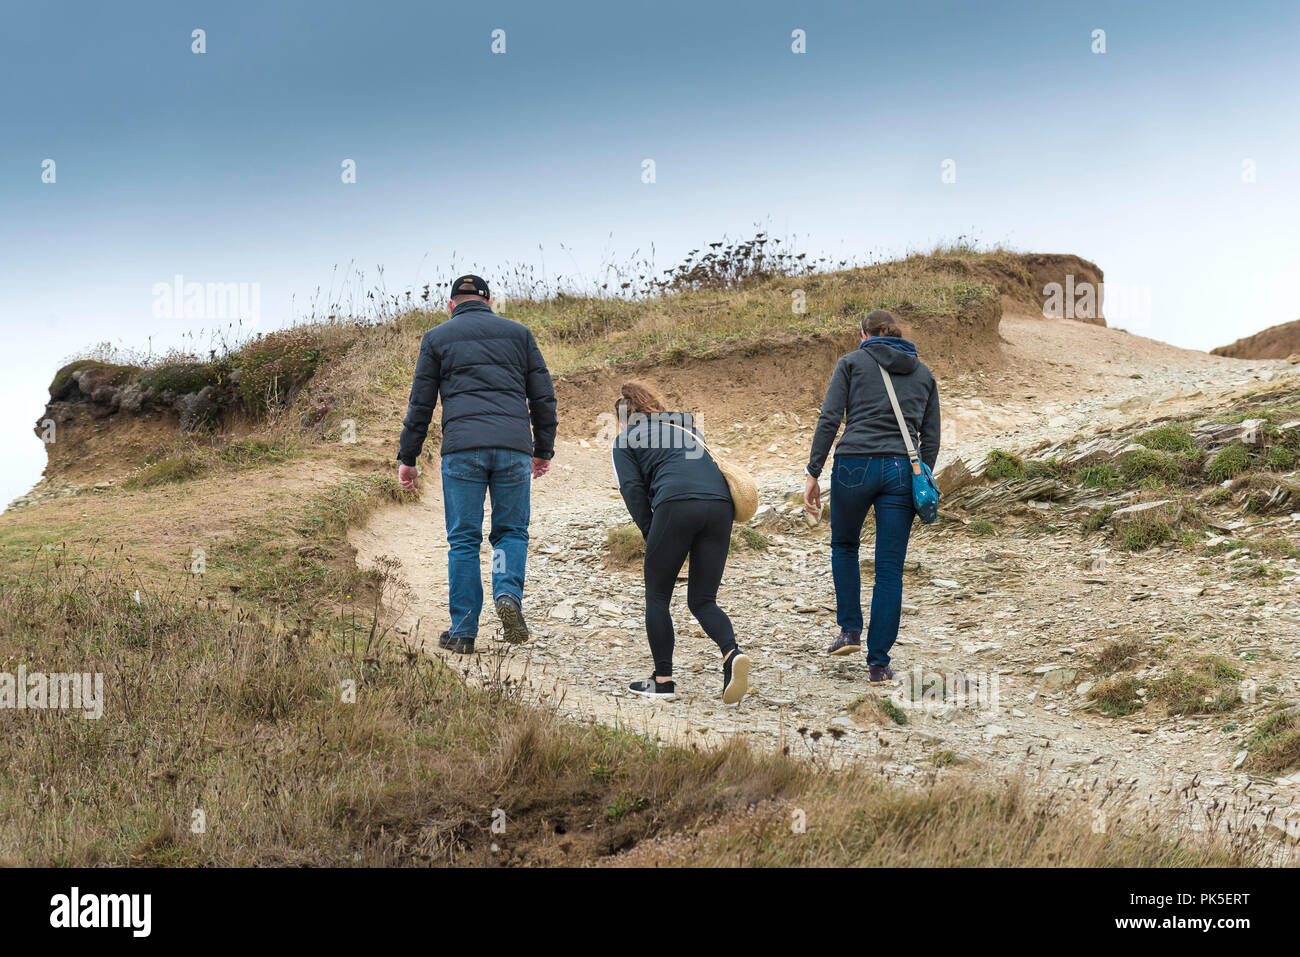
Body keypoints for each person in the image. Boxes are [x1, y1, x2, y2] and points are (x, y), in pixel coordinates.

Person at [397, 274, 557, 654]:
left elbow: (420, 403)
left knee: (464, 539)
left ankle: (464, 631)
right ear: (489, 302)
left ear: (451, 305)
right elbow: (543, 397)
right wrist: (542, 450)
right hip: (513, 449)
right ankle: (507, 594)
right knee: (511, 532)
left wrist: (409, 458)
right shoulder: (519, 334)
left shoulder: (437, 338)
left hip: (462, 450)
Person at [804, 310, 941, 684]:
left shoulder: (850, 362)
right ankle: (878, 664)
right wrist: (920, 476)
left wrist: (813, 472)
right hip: (901, 471)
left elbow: (830, 419)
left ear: (863, 333)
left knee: (845, 545)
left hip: (853, 466)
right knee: (889, 570)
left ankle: (849, 630)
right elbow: (931, 437)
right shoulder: (923, 373)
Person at [610, 381, 749, 704]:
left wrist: (652, 532)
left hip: (675, 505)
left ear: (625, 418)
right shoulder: (689, 432)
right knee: (703, 599)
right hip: (720, 507)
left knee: (657, 596)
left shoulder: (625, 440)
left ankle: (663, 681)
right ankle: (732, 654)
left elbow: (632, 491)